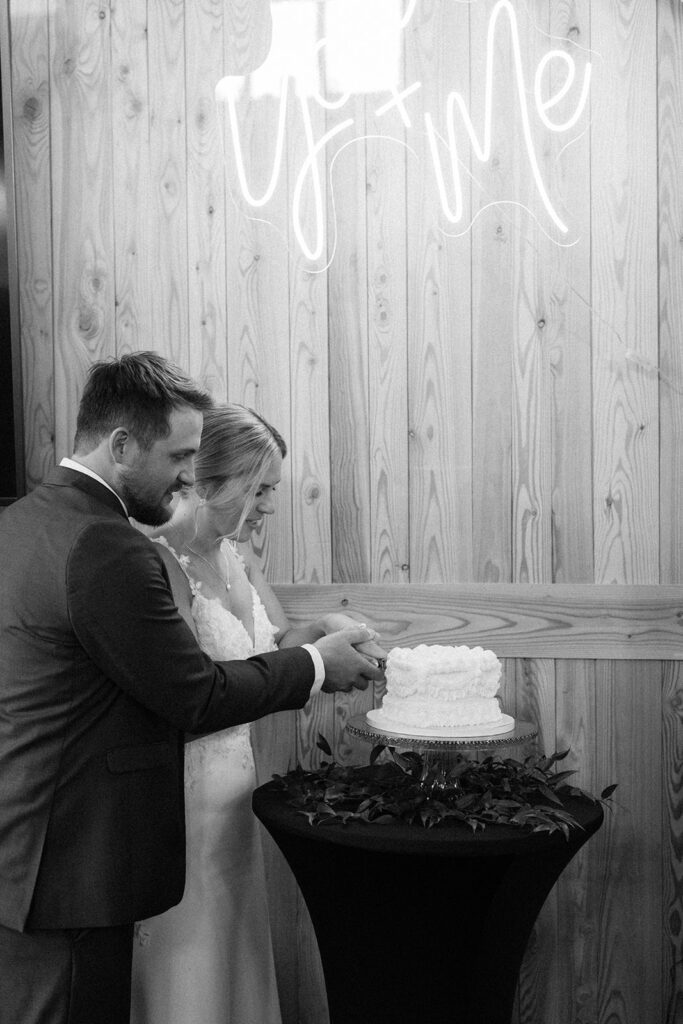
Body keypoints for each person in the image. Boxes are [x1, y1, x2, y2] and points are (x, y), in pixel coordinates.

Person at [0, 352, 383, 1024]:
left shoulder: (25, 521)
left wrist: (308, 644)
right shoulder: (111, 547)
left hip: (35, 838)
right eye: (180, 455)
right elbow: (193, 697)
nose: (187, 474)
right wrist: (317, 668)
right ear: (122, 446)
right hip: (83, 851)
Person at [129, 404, 385, 1024]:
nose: (269, 505)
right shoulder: (158, 562)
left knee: (235, 960)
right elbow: (197, 691)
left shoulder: (232, 555)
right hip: (181, 798)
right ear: (214, 480)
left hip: (236, 797)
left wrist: (320, 629)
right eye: (261, 489)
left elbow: (267, 648)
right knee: (189, 963)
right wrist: (317, 664)